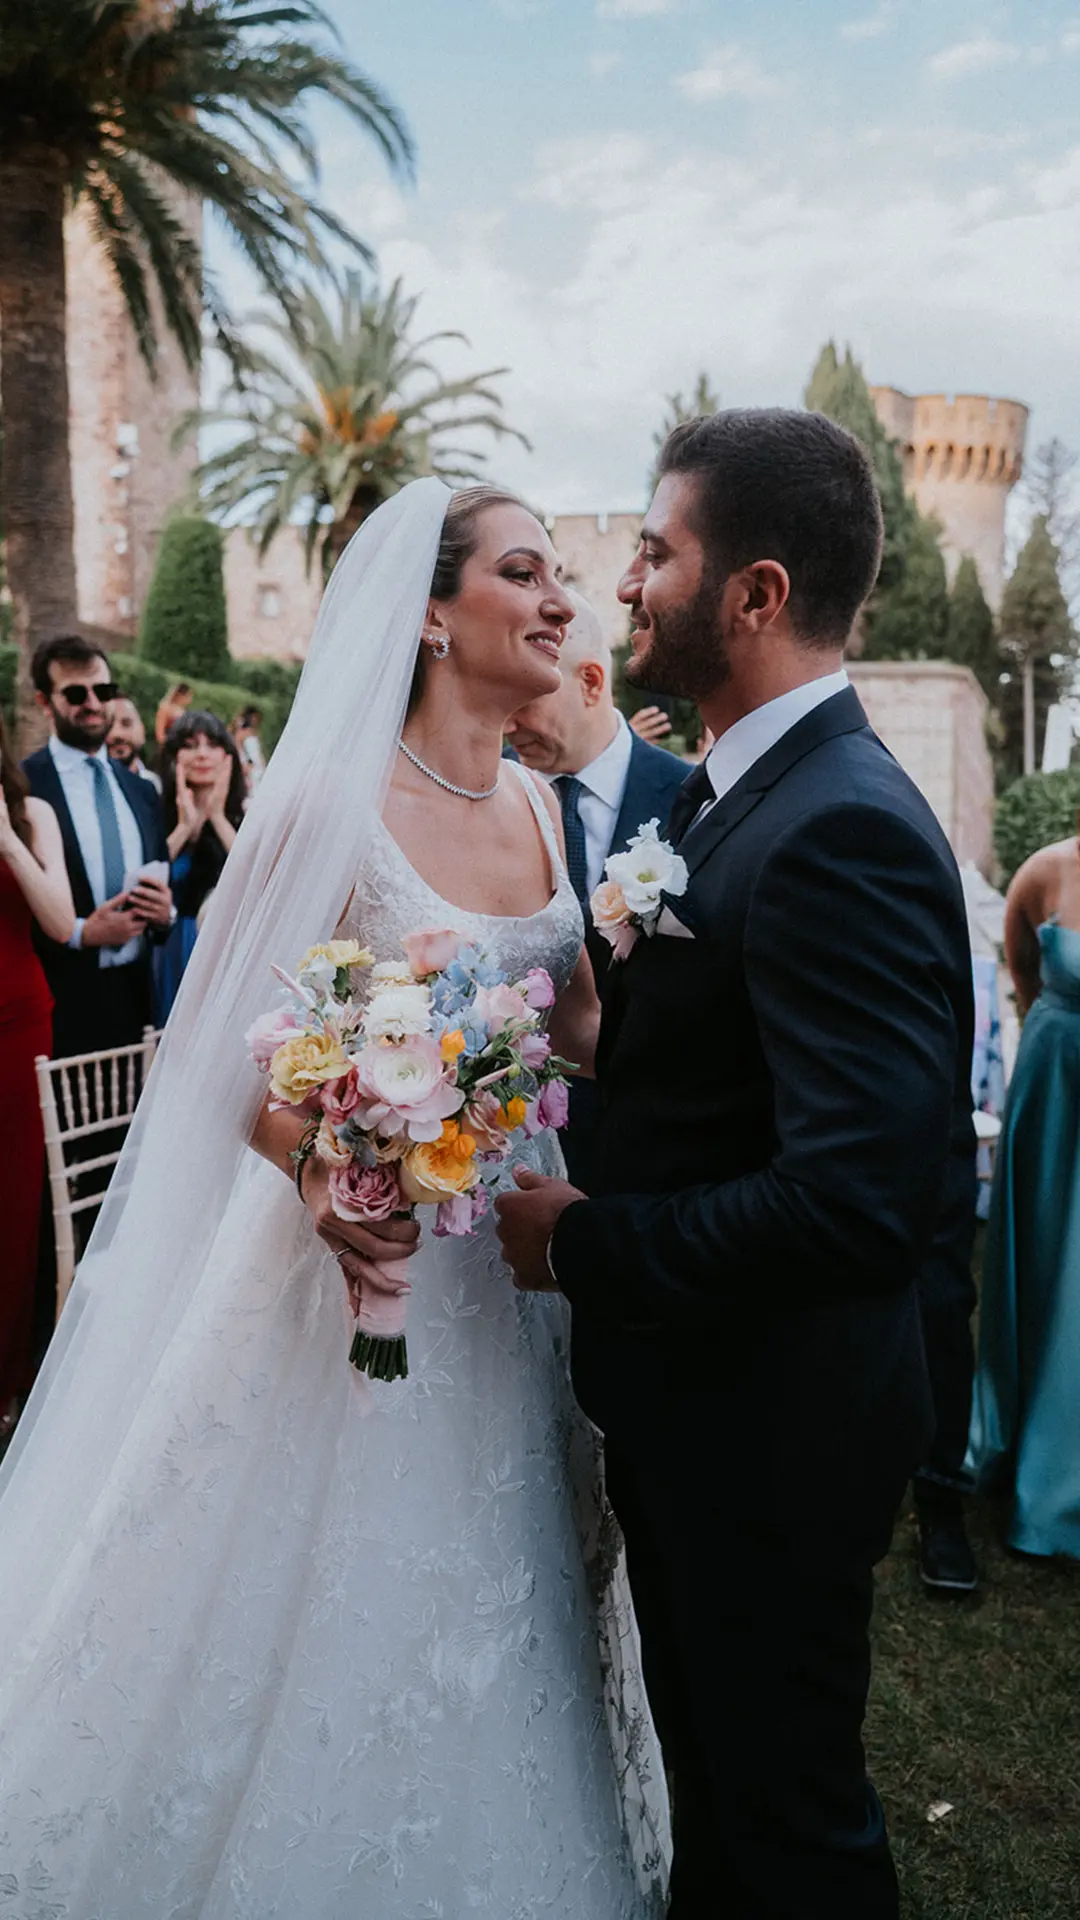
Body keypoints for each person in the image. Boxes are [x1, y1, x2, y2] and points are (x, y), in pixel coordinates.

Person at [0, 481, 667, 1917]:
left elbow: (581, 1028)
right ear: (430, 615)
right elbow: (209, 1050)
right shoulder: (325, 804)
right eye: (526, 572)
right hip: (343, 1278)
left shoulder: (550, 807)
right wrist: (316, 1163)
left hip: (516, 1276)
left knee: (508, 1590)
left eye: (564, 574)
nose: (563, 599)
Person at [497, 409, 976, 1920]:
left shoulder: (843, 825)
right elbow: (753, 1086)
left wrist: (584, 1244)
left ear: (756, 595)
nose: (623, 584)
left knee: (791, 1831)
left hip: (772, 1433)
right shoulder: (731, 785)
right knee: (723, 1798)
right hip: (709, 1409)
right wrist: (602, 1043)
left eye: (655, 551)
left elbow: (862, 1201)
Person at [508, 592, 686, 1187]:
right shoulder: (490, 804)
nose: (508, 721)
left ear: (589, 681)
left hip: (651, 1160)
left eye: (527, 698)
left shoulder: (694, 801)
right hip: (507, 1155)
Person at [968, 826, 1080, 1560]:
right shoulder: (1048, 870)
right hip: (1058, 1084)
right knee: (1044, 1261)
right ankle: (1026, 1450)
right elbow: (1024, 972)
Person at [22, 636, 173, 1061]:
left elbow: (162, 885)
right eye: (75, 693)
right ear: (44, 702)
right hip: (61, 1002)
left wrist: (166, 915)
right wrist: (79, 934)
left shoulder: (141, 790)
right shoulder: (23, 789)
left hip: (140, 1002)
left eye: (102, 691)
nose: (92, 703)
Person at [0, 716, 74, 1441]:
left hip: (18, 1025)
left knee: (16, 1208)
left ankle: (8, 1385)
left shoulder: (32, 812)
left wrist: (6, 839)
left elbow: (61, 921)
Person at [154, 709, 247, 1019]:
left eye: (212, 744)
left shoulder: (246, 815)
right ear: (174, 756)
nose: (202, 755)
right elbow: (148, 871)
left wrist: (218, 818)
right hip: (169, 949)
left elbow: (258, 877)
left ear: (227, 755)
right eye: (190, 745)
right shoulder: (156, 811)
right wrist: (184, 828)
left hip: (225, 950)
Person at [107, 693, 162, 791]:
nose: (117, 734)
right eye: (107, 726)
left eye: (127, 724)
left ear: (142, 730)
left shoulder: (156, 784)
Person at [232, 703, 267, 790]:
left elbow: (258, 752)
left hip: (258, 766)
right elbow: (238, 750)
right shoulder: (240, 734)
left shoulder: (254, 733)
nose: (255, 721)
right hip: (248, 767)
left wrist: (263, 766)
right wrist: (243, 764)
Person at [154, 678, 192, 748]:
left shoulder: (184, 711)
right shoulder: (165, 708)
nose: (190, 699)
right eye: (189, 695)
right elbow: (160, 733)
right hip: (168, 744)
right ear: (181, 695)